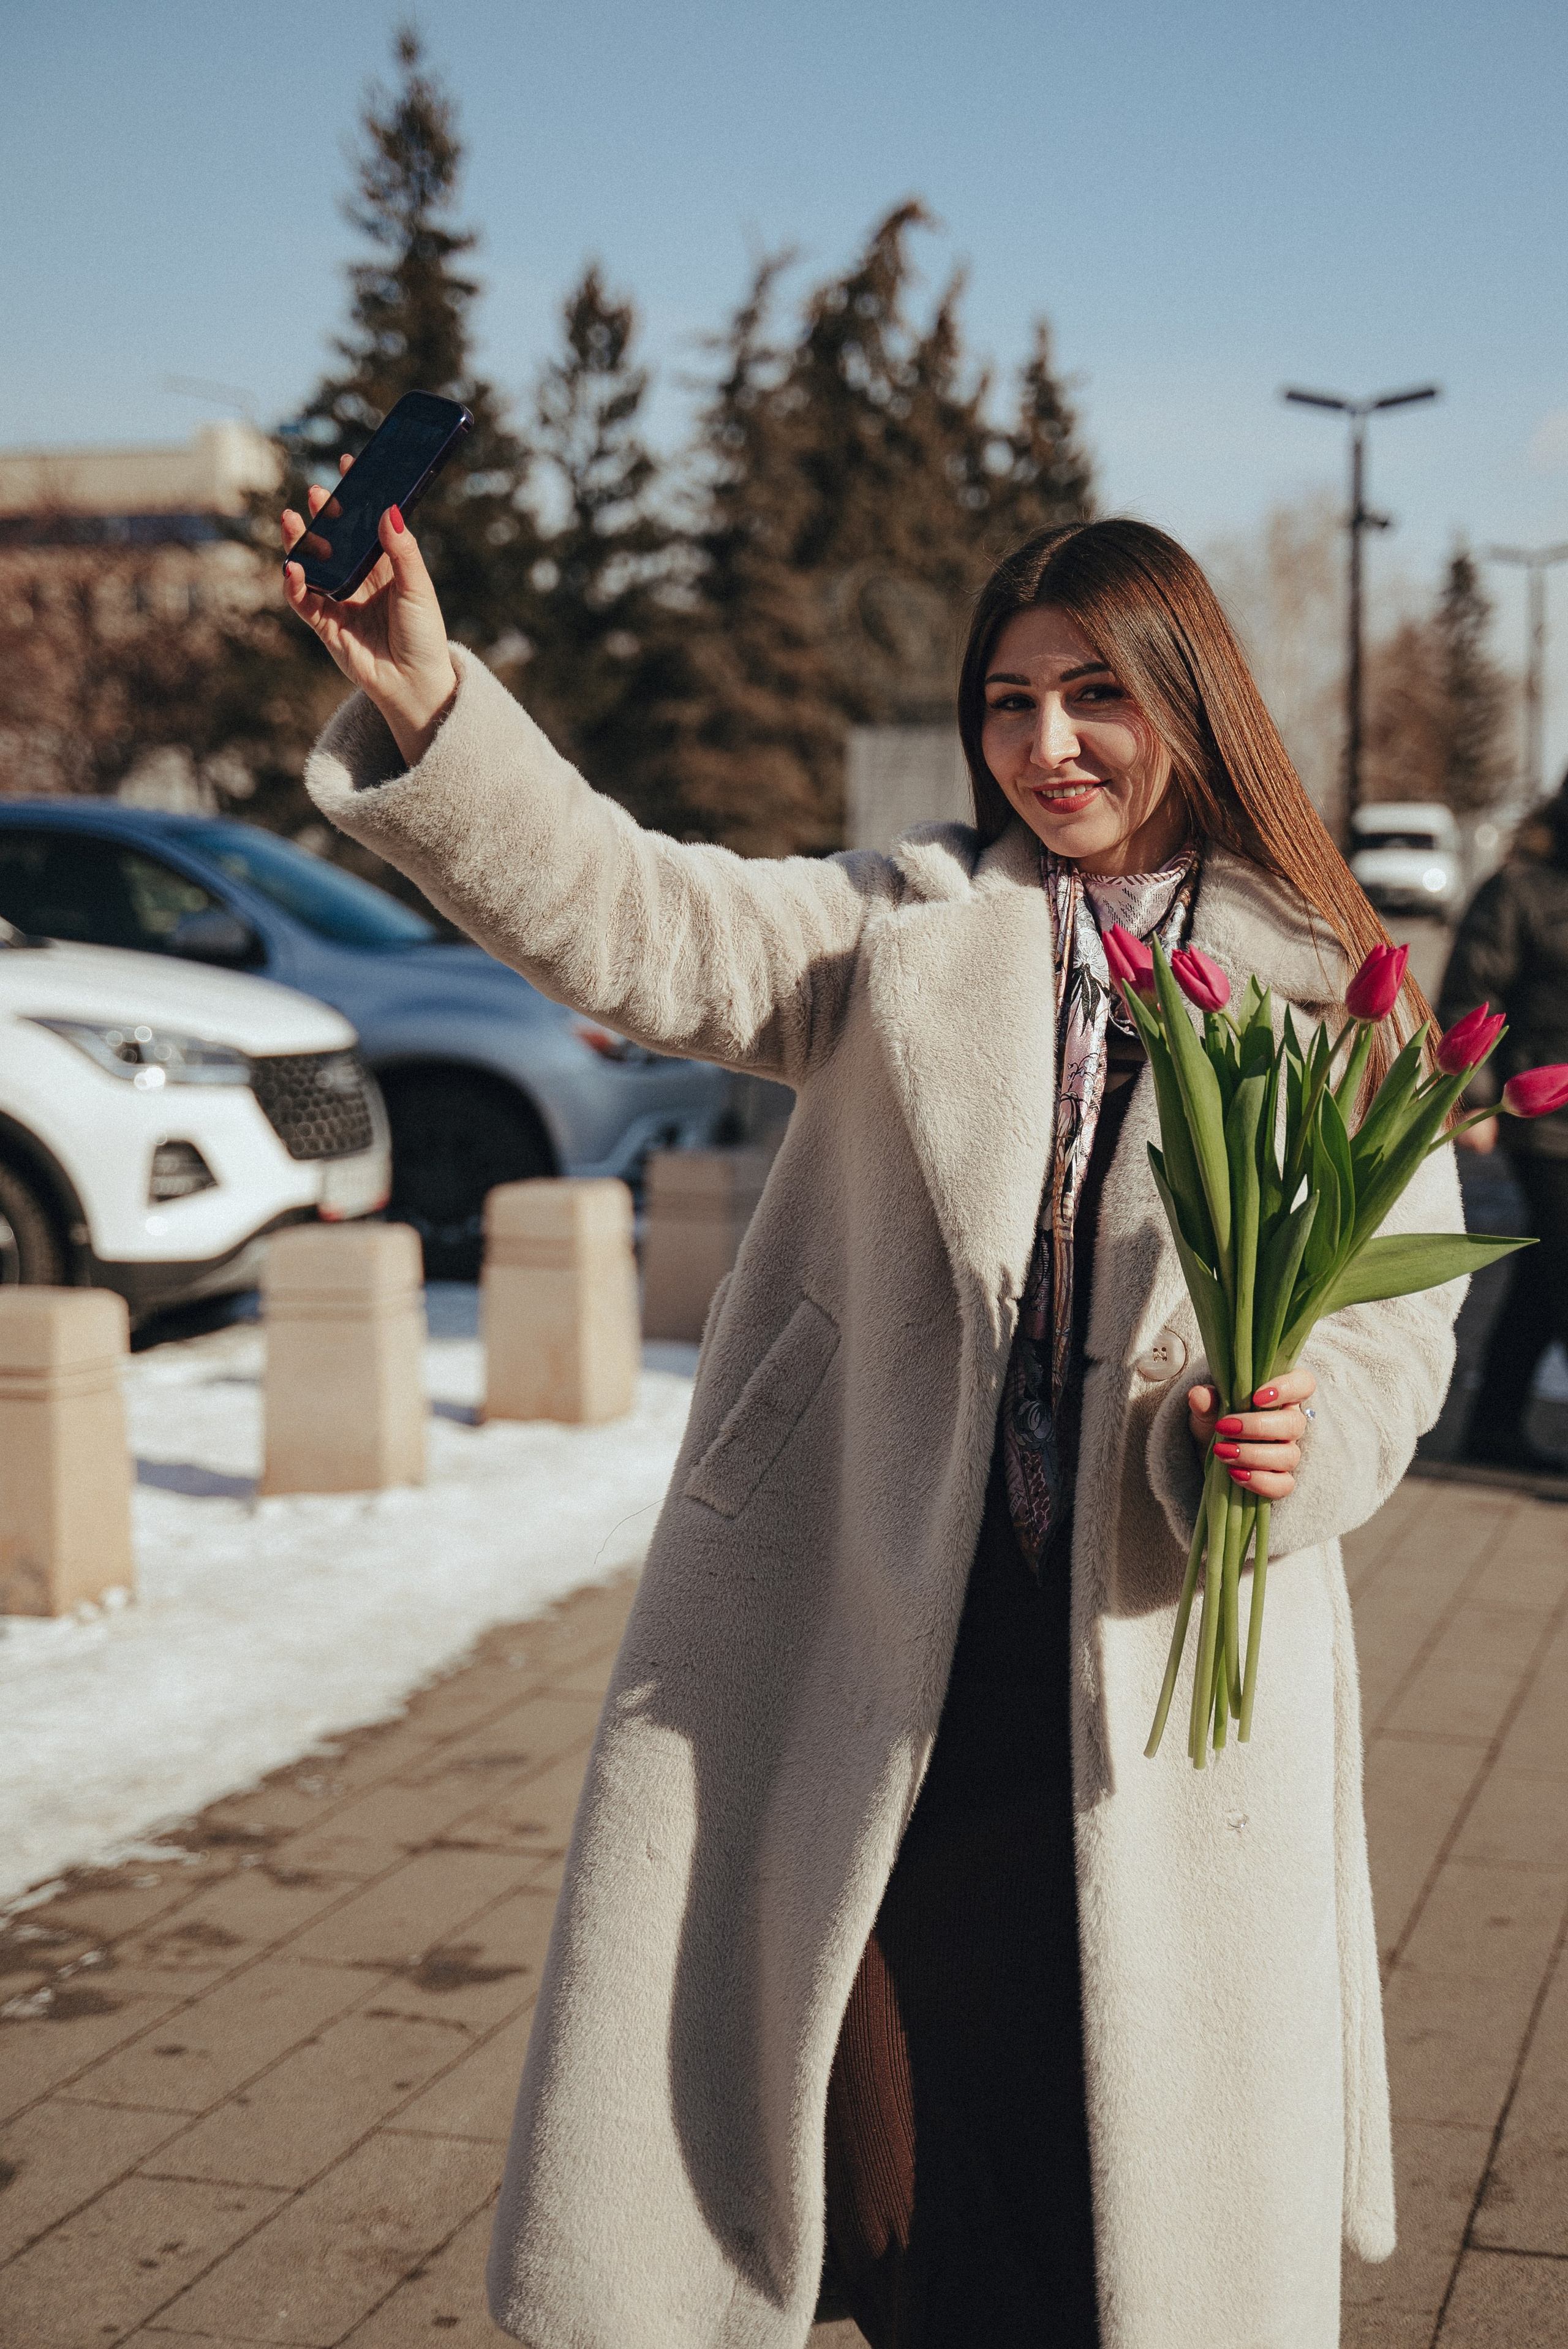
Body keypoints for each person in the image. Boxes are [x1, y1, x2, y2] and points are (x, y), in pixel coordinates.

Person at [282, 494, 1464, 2349]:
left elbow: (1404, 1330)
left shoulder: (1330, 996)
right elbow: (635, 918)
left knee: (1122, 2228)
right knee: (904, 2218)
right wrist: (435, 700)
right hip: (883, 1662)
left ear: (1192, 702)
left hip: (1158, 1703)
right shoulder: (897, 934)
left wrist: (1291, 1441)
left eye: (1094, 696)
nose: (1046, 746)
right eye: (1006, 700)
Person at [1439, 782, 1568, 1472]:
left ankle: (1491, 1429)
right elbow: (1470, 992)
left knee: (1543, 1277)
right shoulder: (1520, 888)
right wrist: (1471, 1097)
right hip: (1544, 1116)